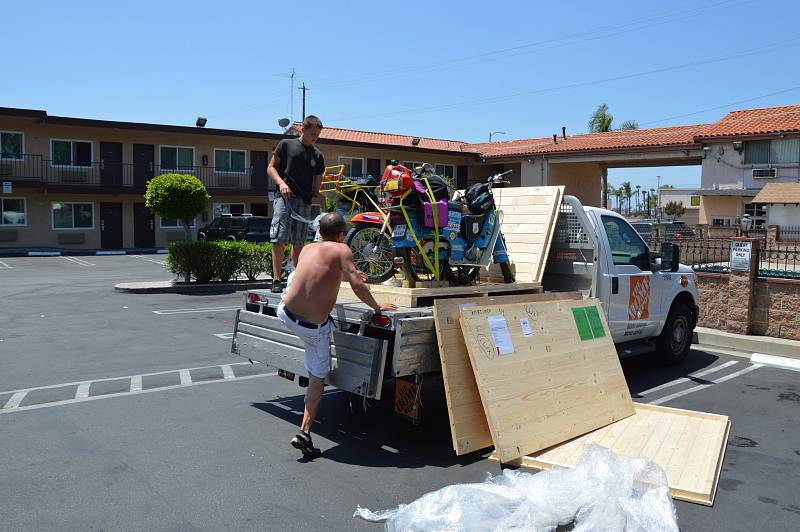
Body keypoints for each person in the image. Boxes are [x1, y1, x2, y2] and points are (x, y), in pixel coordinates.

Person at [277, 213, 397, 458]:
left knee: (295, 278)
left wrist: (348, 274)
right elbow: (358, 286)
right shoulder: (343, 250)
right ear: (342, 234)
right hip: (312, 330)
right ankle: (304, 432)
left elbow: (320, 272)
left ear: (320, 232)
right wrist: (377, 307)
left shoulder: (309, 248)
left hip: (285, 313)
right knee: (317, 379)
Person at [268, 114, 325, 293]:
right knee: (279, 237)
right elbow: (271, 167)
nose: (315, 138)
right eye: (312, 134)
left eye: (317, 135)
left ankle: (296, 277)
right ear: (303, 129)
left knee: (299, 241)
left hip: (304, 200)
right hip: (284, 197)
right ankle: (277, 279)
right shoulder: (286, 144)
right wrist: (282, 183)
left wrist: (317, 192)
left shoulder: (317, 154)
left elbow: (318, 176)